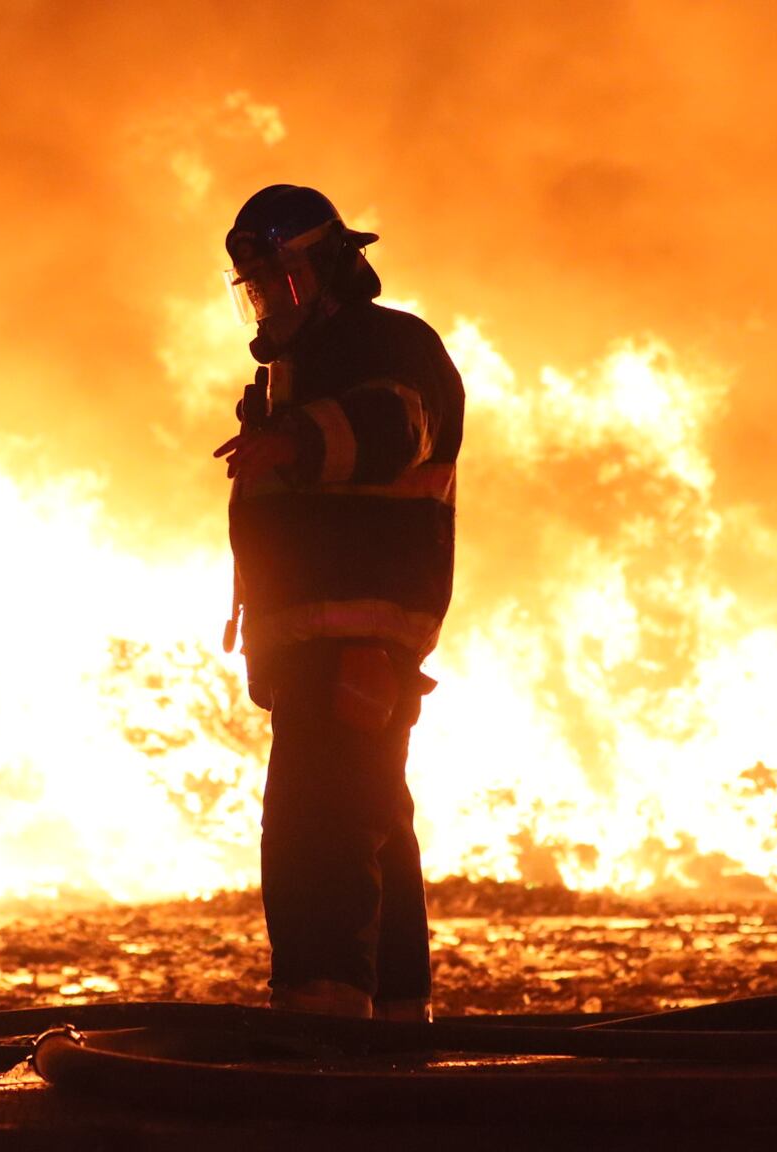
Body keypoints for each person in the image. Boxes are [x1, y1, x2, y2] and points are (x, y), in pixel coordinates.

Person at [213, 185, 463, 1021]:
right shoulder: (298, 372)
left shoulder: (388, 346)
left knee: (315, 827)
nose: (268, 304)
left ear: (329, 267)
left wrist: (294, 437)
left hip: (357, 635)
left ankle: (322, 1017)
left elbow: (394, 428)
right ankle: (392, 1019)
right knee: (368, 821)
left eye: (280, 283)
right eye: (254, 290)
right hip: (321, 643)